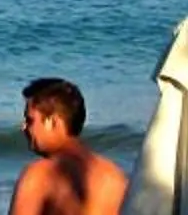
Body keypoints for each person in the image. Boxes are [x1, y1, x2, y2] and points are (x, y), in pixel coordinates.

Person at [11, 77, 124, 215]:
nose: (24, 127)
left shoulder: (41, 175)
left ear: (52, 122)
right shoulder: (114, 176)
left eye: (30, 120)